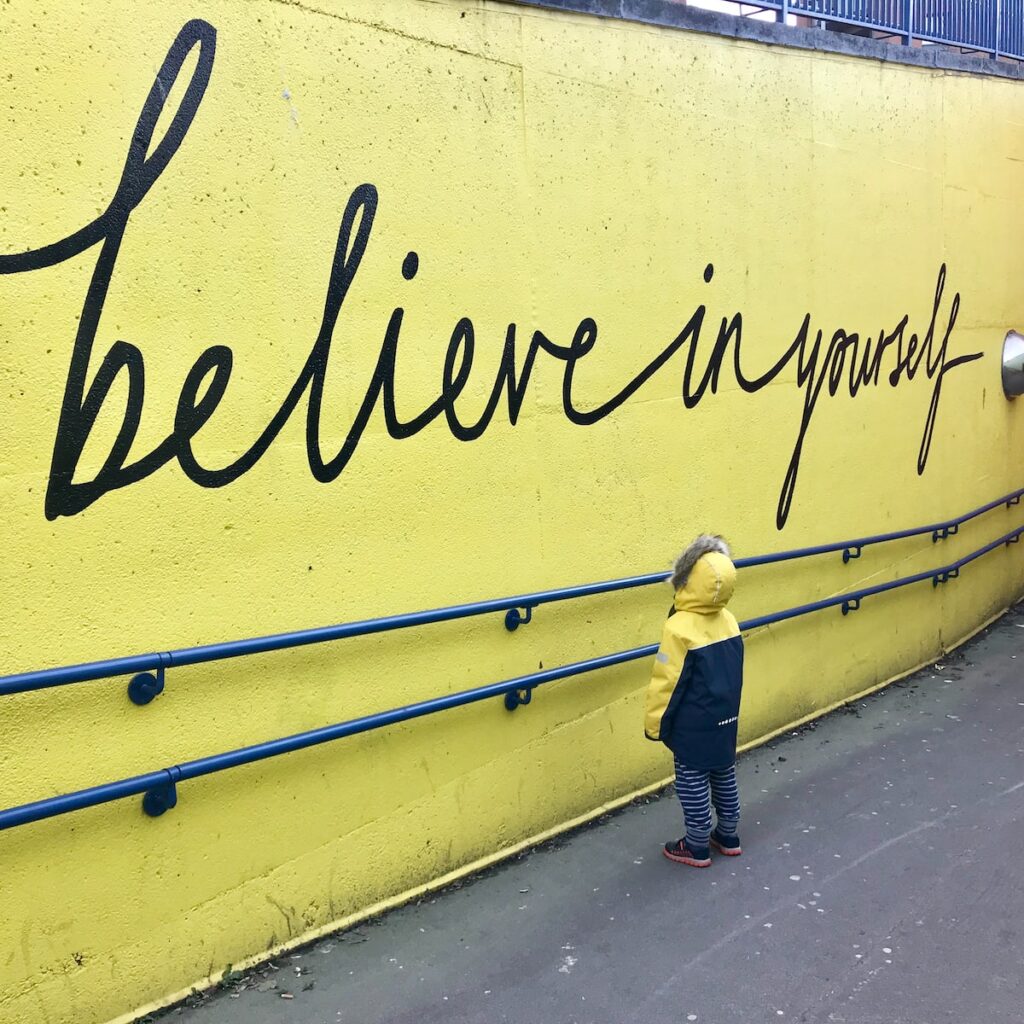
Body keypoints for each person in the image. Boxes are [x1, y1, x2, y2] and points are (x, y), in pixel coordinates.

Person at [644, 535, 744, 867]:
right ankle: (728, 833)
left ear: (686, 580)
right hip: (725, 717)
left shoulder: (678, 627)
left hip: (693, 723)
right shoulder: (729, 620)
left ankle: (697, 843)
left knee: (692, 779)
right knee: (723, 772)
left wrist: (655, 724)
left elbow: (667, 682)